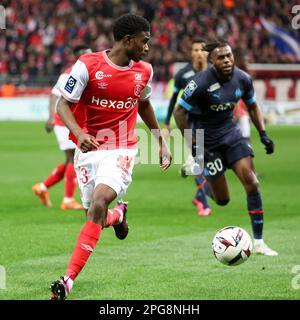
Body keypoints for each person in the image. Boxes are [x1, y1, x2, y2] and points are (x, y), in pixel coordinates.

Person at [50, 13, 172, 300]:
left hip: (122, 147)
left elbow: (144, 105)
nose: (147, 47)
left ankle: (68, 280)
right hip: (89, 149)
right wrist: (79, 134)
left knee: (100, 202)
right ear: (127, 40)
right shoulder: (87, 66)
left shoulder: (145, 71)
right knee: (95, 214)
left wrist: (162, 142)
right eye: (144, 42)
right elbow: (62, 104)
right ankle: (118, 216)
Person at [174, 41, 278, 256]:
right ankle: (200, 173)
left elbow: (252, 105)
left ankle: (258, 242)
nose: (227, 60)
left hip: (232, 137)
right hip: (208, 143)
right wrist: (194, 143)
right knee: (222, 200)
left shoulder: (242, 78)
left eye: (229, 56)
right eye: (221, 57)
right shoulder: (199, 82)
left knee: (252, 183)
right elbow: (178, 113)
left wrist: (263, 134)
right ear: (211, 61)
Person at [32, 45, 92, 210]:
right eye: (85, 55)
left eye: (90, 54)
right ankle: (67, 200)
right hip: (64, 122)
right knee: (73, 159)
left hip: (75, 123)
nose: (89, 57)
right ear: (77, 57)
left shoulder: (89, 73)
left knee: (70, 160)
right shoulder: (68, 75)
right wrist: (51, 117)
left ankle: (42, 187)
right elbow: (54, 95)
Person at [164, 38, 211, 216]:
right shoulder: (183, 74)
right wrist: (167, 123)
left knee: (213, 163)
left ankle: (199, 194)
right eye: (196, 49)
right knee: (199, 160)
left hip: (213, 122)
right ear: (191, 53)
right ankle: (204, 204)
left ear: (207, 53)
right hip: (191, 122)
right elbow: (173, 100)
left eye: (202, 49)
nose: (199, 52)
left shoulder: (214, 72)